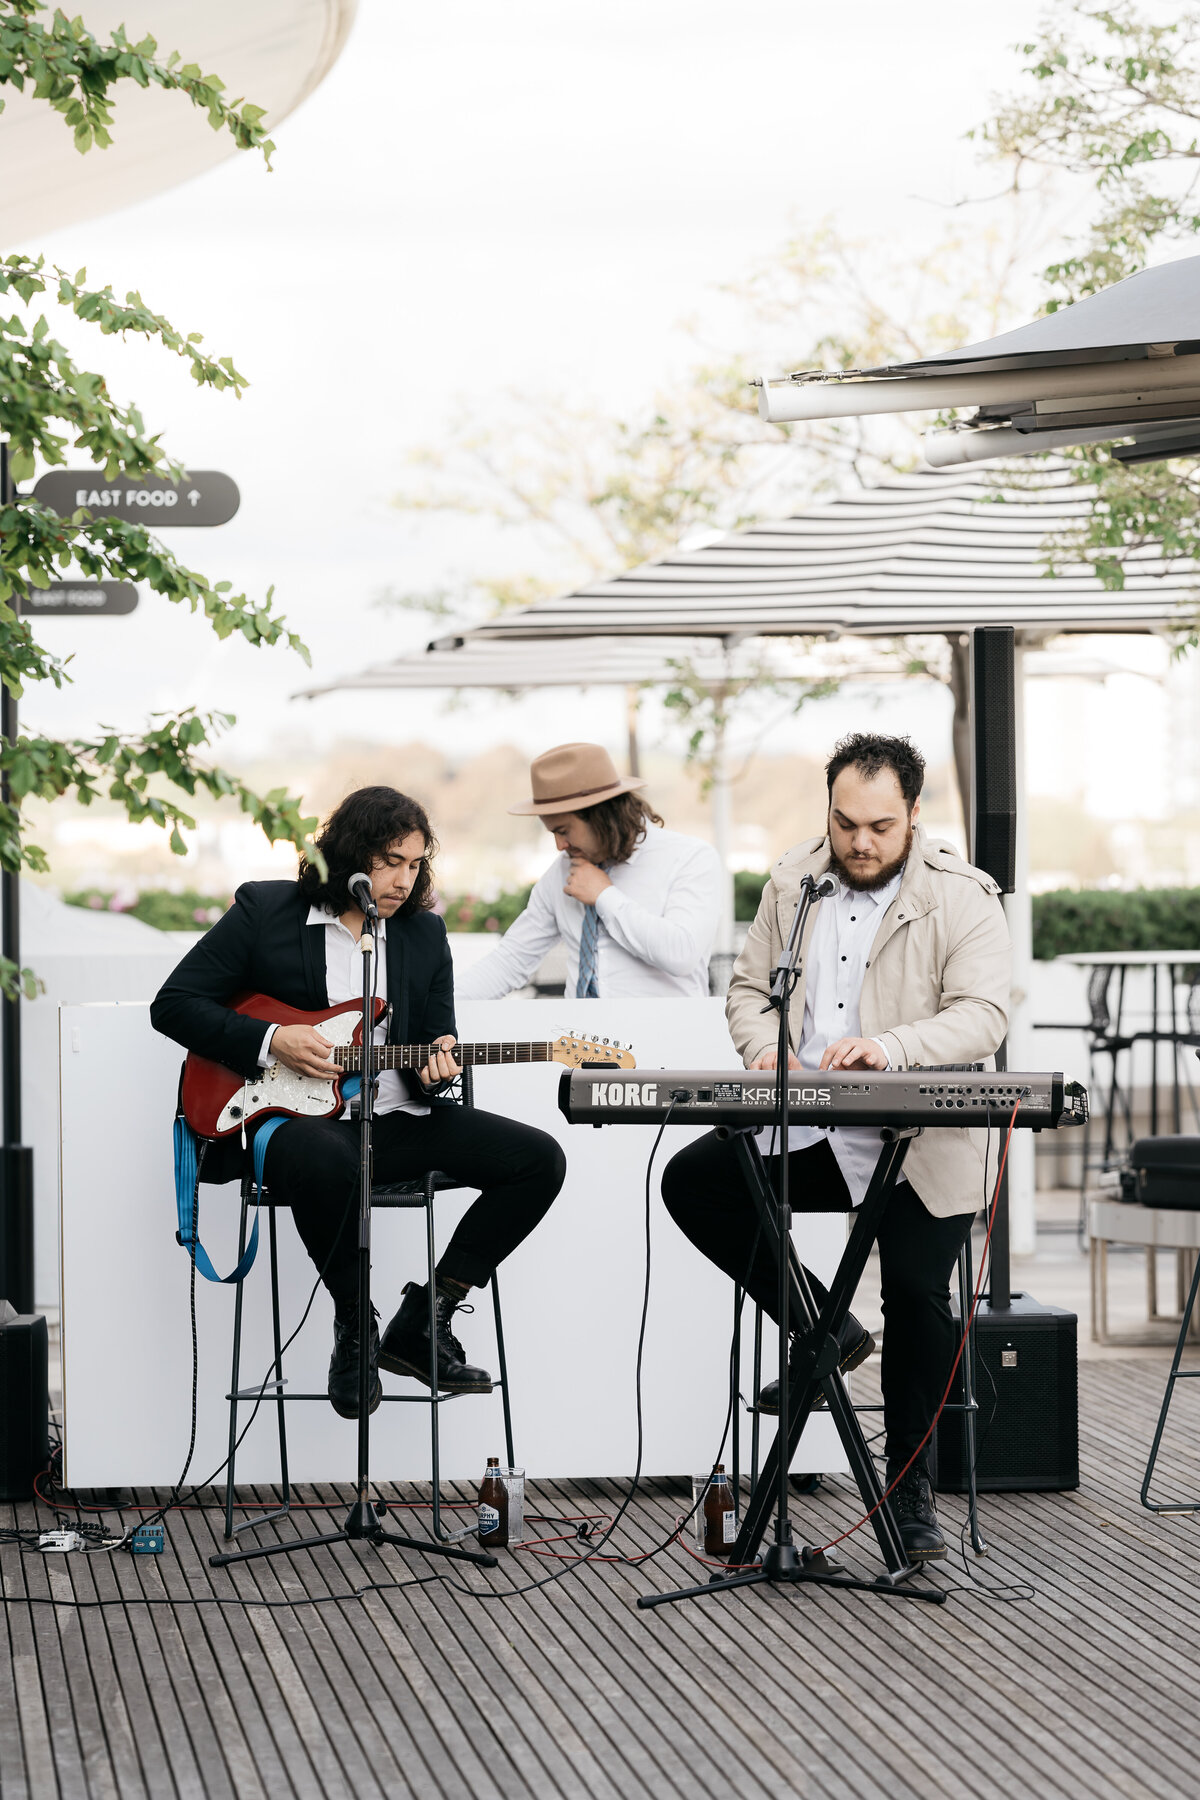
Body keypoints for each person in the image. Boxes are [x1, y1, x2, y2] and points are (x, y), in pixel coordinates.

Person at [659, 733, 1011, 1559]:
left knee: (920, 1298)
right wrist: (762, 1048)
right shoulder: (794, 879)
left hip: (920, 1137)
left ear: (915, 815)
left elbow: (983, 1015)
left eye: (881, 827)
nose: (860, 841)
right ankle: (824, 1327)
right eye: (846, 822)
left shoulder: (964, 895)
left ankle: (909, 1488)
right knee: (694, 1183)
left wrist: (890, 1048)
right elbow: (749, 990)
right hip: (810, 1122)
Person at [152, 785, 566, 1419]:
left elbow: (433, 1043)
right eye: (389, 861)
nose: (403, 880)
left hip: (396, 1121)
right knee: (326, 1159)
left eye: (415, 863)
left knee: (538, 1160)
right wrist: (271, 1040)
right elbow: (174, 1005)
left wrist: (439, 1067)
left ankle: (425, 1320)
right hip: (294, 1123)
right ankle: (355, 1325)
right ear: (349, 852)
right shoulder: (267, 911)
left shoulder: (424, 934)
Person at [456, 741, 722, 1001]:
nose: (560, 846)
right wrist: (439, 1010)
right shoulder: (560, 874)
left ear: (601, 816)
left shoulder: (690, 858)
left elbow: (682, 954)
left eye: (564, 831)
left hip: (667, 1038)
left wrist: (605, 896)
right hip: (579, 1042)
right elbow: (510, 961)